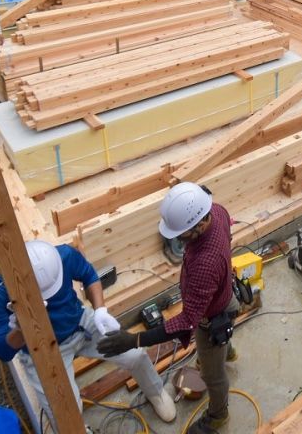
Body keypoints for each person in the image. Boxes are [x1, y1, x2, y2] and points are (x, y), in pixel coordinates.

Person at [0, 240, 176, 429]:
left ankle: (155, 391)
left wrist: (100, 310)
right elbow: (2, 351)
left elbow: (89, 275)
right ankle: (75, 428)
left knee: (136, 355)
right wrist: (21, 330)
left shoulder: (61, 256)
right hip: (37, 348)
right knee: (65, 408)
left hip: (80, 324)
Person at [99, 183, 237, 434]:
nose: (177, 238)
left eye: (182, 233)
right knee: (225, 328)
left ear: (200, 225)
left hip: (214, 316)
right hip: (225, 296)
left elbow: (187, 321)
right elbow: (227, 236)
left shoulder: (204, 264)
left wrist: (135, 339)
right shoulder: (217, 211)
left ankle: (219, 416)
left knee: (213, 376)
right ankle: (226, 351)